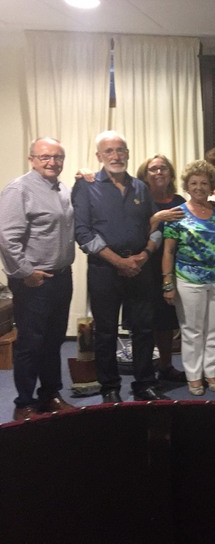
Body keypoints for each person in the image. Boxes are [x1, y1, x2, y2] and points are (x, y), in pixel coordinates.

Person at [72, 130, 168, 402]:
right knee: (105, 332)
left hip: (140, 268)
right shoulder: (86, 187)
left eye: (120, 150)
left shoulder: (140, 188)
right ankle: (110, 388)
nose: (116, 156)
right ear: (99, 156)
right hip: (104, 270)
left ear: (128, 153)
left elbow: (156, 228)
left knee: (144, 329)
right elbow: (83, 233)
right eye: (109, 151)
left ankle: (144, 384)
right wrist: (118, 261)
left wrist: (144, 255)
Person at [0, 137, 76, 421]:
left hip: (62, 277)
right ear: (32, 159)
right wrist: (25, 273)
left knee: (53, 341)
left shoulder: (62, 189)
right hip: (34, 281)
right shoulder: (19, 189)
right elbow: (7, 238)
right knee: (31, 344)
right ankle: (24, 403)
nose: (52, 162)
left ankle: (50, 395)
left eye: (58, 157)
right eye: (45, 157)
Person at [162, 161, 215, 395]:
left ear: (211, 186)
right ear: (187, 186)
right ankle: (194, 376)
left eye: (204, 183)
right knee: (193, 331)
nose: (199, 187)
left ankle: (211, 372)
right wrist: (167, 283)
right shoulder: (177, 214)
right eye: (194, 183)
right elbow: (168, 252)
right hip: (189, 280)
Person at [136, 155, 186, 384]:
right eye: (153, 169)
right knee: (146, 321)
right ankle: (145, 372)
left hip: (173, 267)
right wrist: (157, 218)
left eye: (163, 168)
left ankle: (166, 366)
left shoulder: (179, 200)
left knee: (166, 321)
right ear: (145, 175)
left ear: (171, 173)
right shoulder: (139, 200)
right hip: (145, 265)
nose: (158, 173)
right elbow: (133, 231)